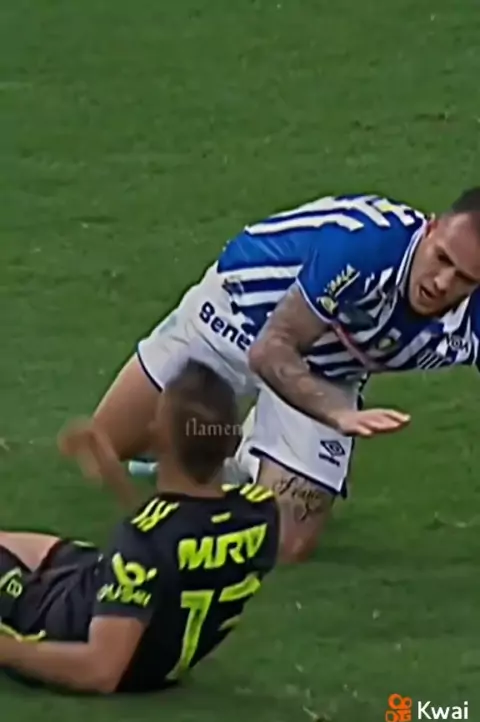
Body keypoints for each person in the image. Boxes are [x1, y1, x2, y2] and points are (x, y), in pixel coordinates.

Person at [66, 189, 480, 564]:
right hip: (235, 322)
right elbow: (271, 349)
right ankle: (222, 439)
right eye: (442, 258)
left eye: (465, 278)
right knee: (104, 448)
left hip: (327, 369)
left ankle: (246, 455)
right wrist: (336, 414)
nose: (442, 283)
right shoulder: (364, 246)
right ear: (431, 228)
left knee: (284, 544)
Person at [0, 361, 279, 694]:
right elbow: (174, 538)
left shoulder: (143, 543)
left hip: (59, 622)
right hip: (118, 606)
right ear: (233, 442)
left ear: (157, 440)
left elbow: (100, 670)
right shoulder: (259, 512)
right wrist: (113, 473)